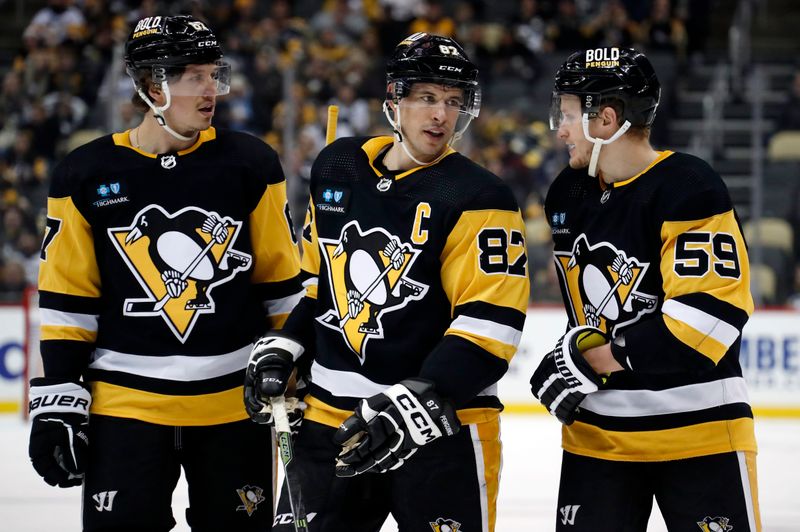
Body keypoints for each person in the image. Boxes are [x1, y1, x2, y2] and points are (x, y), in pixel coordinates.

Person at [244, 32, 530, 531]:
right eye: (426, 98)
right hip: (330, 424)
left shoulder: (480, 195)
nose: (441, 115)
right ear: (394, 100)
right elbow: (320, 289)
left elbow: (490, 327)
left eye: (452, 101)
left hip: (441, 432)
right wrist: (287, 344)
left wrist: (414, 402)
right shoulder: (337, 168)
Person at [27, 15, 303, 531]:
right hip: (124, 410)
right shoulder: (85, 173)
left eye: (213, 74)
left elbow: (281, 286)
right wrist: (58, 402)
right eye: (193, 76)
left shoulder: (249, 162)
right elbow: (69, 299)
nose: (211, 91)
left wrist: (298, 367)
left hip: (232, 406)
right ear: (153, 85)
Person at [529, 47, 761, 531]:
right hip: (598, 440)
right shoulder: (568, 192)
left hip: (700, 437)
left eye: (568, 115)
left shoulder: (688, 185)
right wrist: (582, 347)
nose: (561, 129)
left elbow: (708, 321)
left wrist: (590, 357)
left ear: (606, 118)